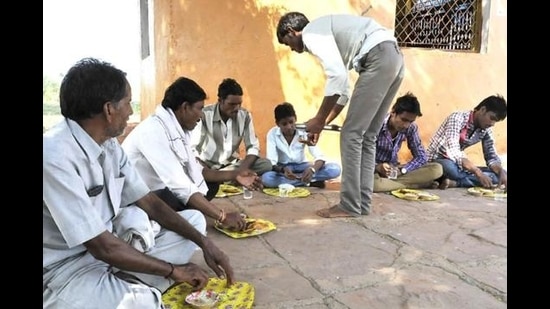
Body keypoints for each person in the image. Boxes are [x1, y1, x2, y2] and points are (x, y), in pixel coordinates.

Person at [43, 58, 234, 309]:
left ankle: (126, 281)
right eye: (127, 103)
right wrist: (172, 270)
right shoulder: (54, 156)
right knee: (143, 303)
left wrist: (204, 243)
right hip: (66, 271)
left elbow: (150, 203)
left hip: (109, 254)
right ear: (109, 109)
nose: (131, 112)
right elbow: (101, 246)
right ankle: (129, 287)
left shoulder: (109, 145)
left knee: (194, 224)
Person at [276, 12, 405, 217]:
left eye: (287, 42)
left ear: (292, 31)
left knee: (351, 134)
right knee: (368, 136)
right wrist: (323, 123)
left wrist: (318, 119)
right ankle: (361, 204)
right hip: (394, 58)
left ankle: (349, 205)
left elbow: (337, 77)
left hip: (379, 56)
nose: (291, 48)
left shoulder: (311, 33)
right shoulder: (326, 31)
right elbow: (343, 91)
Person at [122, 77, 263, 232]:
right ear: (185, 107)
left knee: (209, 186)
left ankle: (182, 214)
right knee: (191, 214)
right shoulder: (154, 131)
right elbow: (180, 185)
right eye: (199, 108)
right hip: (139, 200)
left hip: (161, 191)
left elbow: (199, 171)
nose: (202, 115)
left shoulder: (176, 129)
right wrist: (222, 216)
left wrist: (236, 174)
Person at [192, 78, 272, 177]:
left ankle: (223, 178)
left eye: (239, 104)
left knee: (266, 164)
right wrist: (206, 170)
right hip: (208, 165)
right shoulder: (204, 114)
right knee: (193, 168)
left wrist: (241, 171)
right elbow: (193, 150)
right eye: (232, 104)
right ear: (220, 101)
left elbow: (253, 147)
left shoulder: (245, 116)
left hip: (232, 165)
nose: (237, 108)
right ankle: (221, 177)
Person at [426, 94, 507, 190]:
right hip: (438, 159)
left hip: (459, 165)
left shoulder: (486, 129)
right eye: (492, 118)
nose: (492, 124)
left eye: (496, 121)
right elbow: (454, 151)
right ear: (483, 110)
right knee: (451, 170)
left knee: (500, 175)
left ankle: (454, 182)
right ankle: (460, 180)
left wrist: (500, 171)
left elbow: (491, 156)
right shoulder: (457, 118)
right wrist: (477, 172)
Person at [372, 92, 443, 192]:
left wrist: (403, 170)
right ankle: (414, 185)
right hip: (373, 170)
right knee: (372, 184)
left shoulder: (411, 128)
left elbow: (421, 156)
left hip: (395, 171)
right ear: (393, 112)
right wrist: (377, 167)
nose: (406, 125)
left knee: (437, 169)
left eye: (410, 121)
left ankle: (395, 185)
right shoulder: (376, 124)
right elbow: (361, 153)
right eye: (404, 120)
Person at [261, 102, 341, 188]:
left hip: (303, 166)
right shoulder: (272, 133)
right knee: (266, 178)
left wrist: (312, 170)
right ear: (277, 124)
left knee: (335, 169)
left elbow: (320, 157)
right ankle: (308, 181)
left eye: (291, 122)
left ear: (295, 119)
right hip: (284, 169)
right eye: (284, 124)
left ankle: (297, 181)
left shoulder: (304, 130)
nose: (289, 127)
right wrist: (283, 170)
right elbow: (272, 162)